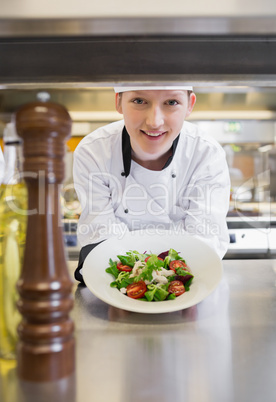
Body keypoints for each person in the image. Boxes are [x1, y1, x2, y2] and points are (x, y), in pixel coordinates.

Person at [73, 86, 230, 284]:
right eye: (139, 101)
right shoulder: (93, 151)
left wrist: (158, 279)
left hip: (187, 286)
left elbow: (205, 239)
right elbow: (100, 231)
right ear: (118, 102)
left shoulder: (206, 153)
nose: (154, 121)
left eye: (171, 102)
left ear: (189, 105)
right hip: (116, 286)